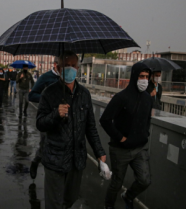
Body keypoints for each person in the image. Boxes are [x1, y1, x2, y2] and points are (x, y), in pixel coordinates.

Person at [36, 51, 106, 209]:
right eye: (66, 66)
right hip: (55, 159)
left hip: (76, 159)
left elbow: (90, 127)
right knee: (54, 204)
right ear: (59, 68)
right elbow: (40, 123)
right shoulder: (49, 93)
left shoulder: (84, 94)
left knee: (70, 199)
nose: (70, 69)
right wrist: (55, 114)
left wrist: (99, 152)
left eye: (73, 66)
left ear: (78, 67)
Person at [100, 62, 153, 209]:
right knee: (117, 183)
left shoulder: (148, 99)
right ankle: (109, 206)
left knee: (145, 180)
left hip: (140, 148)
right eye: (141, 76)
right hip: (120, 149)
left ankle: (128, 196)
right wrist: (121, 138)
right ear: (134, 76)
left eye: (147, 77)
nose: (144, 80)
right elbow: (105, 120)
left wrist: (144, 134)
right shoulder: (121, 98)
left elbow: (148, 119)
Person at [28, 57, 60, 179]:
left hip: (63, 120)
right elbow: (32, 95)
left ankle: (54, 177)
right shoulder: (46, 77)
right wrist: (47, 98)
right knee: (45, 146)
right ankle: (36, 162)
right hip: (47, 119)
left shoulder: (68, 79)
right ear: (55, 65)